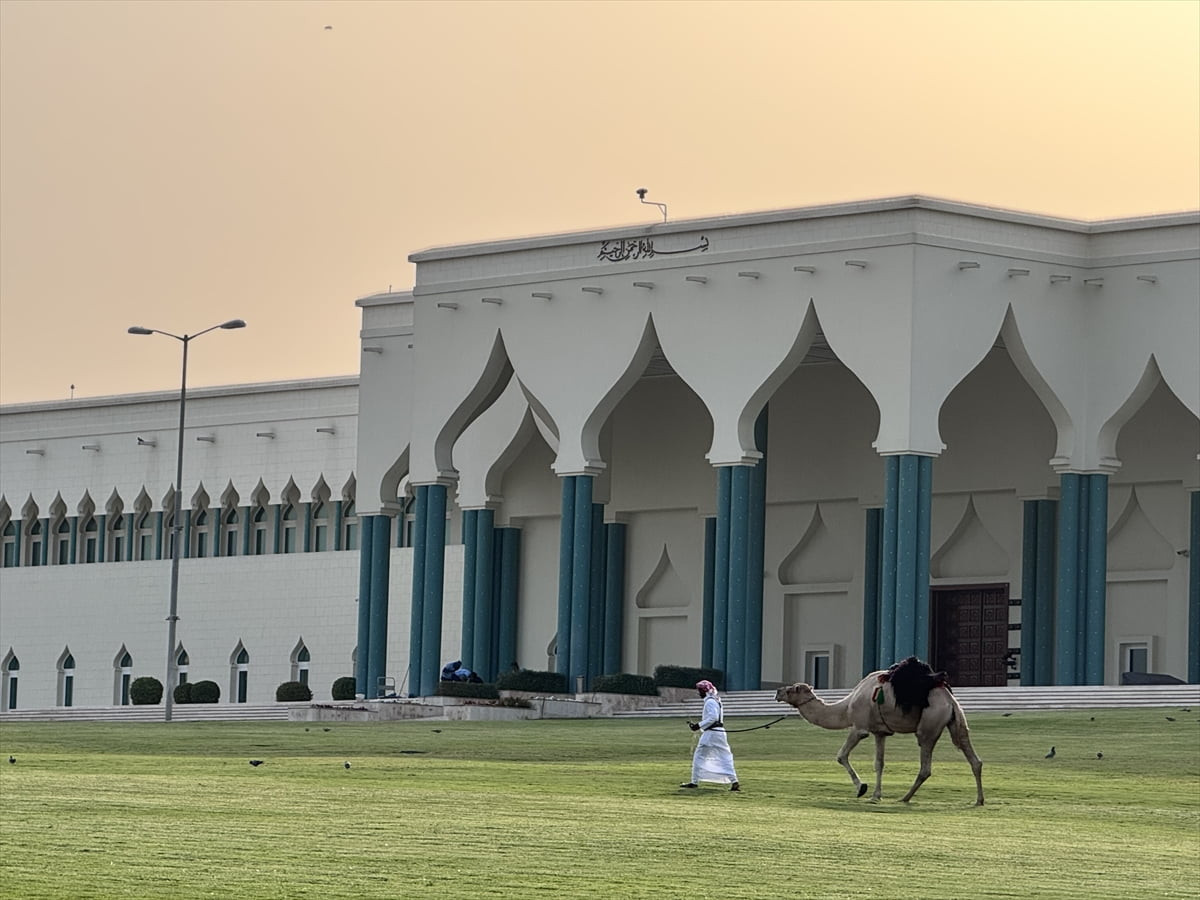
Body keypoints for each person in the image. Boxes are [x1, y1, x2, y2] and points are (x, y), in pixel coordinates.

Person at [681, 680, 740, 791]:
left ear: (704, 691)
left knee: (699, 756)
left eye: (700, 691)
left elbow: (712, 718)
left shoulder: (710, 702)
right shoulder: (716, 701)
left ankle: (694, 782)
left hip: (711, 733)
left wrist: (698, 726)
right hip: (719, 733)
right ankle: (734, 781)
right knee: (725, 757)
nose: (699, 693)